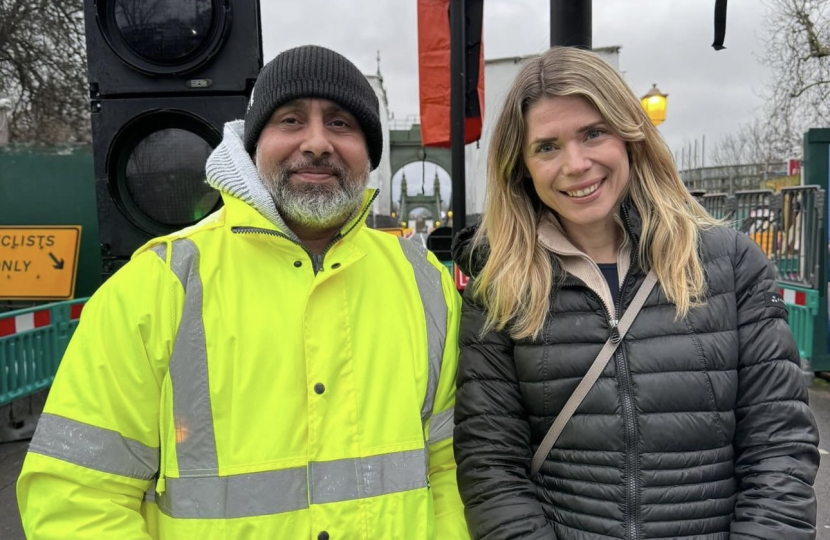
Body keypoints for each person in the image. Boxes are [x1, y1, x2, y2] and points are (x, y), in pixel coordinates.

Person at [18, 45, 469, 540]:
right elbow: (76, 499)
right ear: (253, 145)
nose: (317, 142)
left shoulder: (425, 284)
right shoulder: (156, 287)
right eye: (291, 120)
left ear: (370, 153)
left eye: (341, 123)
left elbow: (448, 473)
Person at [452, 46, 819, 540]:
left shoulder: (730, 264)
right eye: (547, 146)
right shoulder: (499, 291)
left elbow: (779, 450)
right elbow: (491, 469)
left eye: (593, 133)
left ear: (630, 136)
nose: (576, 164)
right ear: (520, 166)